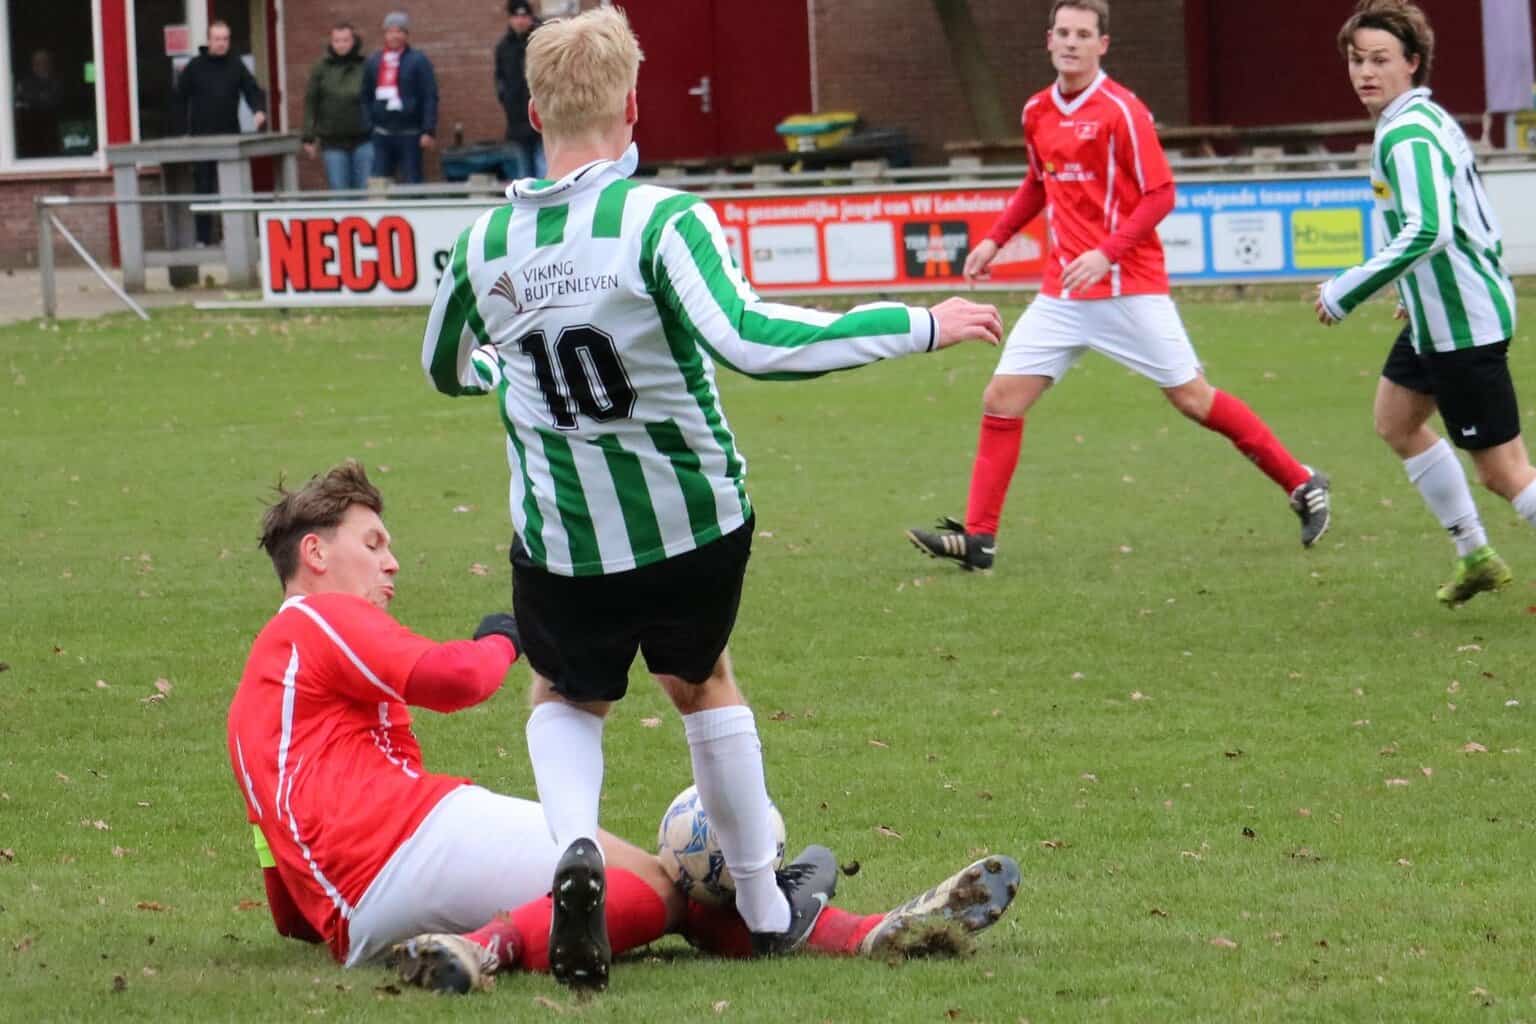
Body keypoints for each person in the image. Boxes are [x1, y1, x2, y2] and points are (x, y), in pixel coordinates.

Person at [420, 6, 1004, 992]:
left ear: (529, 108)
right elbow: (750, 340)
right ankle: (767, 906)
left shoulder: (483, 245)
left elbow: (444, 365)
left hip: (565, 536)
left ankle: (578, 851)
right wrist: (919, 324)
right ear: (634, 104)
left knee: (566, 693)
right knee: (702, 681)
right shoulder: (659, 218)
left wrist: (502, 379)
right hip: (694, 519)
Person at [226, 461, 1021, 994]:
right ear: (315, 554)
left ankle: (829, 918)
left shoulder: (246, 712)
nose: (392, 563)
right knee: (658, 885)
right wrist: (506, 632)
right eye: (374, 543)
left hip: (357, 920)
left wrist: (340, 930)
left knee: (645, 884)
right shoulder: (316, 619)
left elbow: (284, 905)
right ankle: (845, 928)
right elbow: (457, 679)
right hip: (410, 838)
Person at [906, 0, 1331, 573]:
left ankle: (1302, 482)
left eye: (1084, 34)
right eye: (1063, 32)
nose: (1071, 42)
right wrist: (996, 239)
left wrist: (1106, 254)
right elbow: (1039, 181)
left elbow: (1162, 195)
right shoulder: (1036, 110)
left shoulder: (1123, 111)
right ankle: (979, 539)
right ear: (1048, 39)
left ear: (1103, 44)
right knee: (1000, 399)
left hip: (1129, 287)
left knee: (1192, 398)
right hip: (1063, 294)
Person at [1316, 1, 1531, 606]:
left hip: (1462, 324)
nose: (1365, 71)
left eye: (1381, 59)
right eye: (1357, 59)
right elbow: (1469, 221)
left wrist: (1345, 290)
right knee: (1396, 420)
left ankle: (1478, 551)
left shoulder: (1408, 132)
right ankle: (1476, 555)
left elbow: (1429, 229)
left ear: (1412, 62)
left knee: (1504, 472)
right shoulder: (1420, 119)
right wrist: (1415, 293)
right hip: (1440, 315)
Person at [172, 20, 268, 245]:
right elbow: (178, 99)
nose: (222, 43)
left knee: (231, 189)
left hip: (229, 137)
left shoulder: (236, 66)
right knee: (203, 189)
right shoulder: (195, 66)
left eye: (225, 39)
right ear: (209, 40)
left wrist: (258, 110)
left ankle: (232, 237)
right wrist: (181, 131)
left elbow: (252, 90)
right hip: (201, 138)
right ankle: (203, 239)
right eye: (217, 39)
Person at [362, 11, 438, 185]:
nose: (394, 35)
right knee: (379, 183)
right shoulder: (374, 61)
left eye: (399, 31)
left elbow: (429, 95)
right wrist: (369, 126)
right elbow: (365, 96)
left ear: (406, 34)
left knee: (412, 182)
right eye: (390, 31)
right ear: (385, 34)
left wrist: (428, 129)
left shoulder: (418, 60)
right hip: (381, 133)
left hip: (410, 133)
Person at [302, 23, 372, 191]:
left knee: (366, 193)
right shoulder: (321, 68)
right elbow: (311, 102)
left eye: (345, 40)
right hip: (333, 143)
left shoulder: (366, 66)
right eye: (337, 40)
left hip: (364, 140)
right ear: (331, 43)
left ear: (353, 41)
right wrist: (309, 136)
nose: (341, 44)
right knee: (339, 193)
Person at [495, 0, 545, 180]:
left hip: (542, 117)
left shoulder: (541, 42)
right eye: (516, 16)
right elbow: (500, 79)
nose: (520, 21)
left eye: (524, 16)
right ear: (510, 19)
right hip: (516, 119)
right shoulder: (503, 48)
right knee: (523, 172)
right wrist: (506, 99)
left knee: (543, 167)